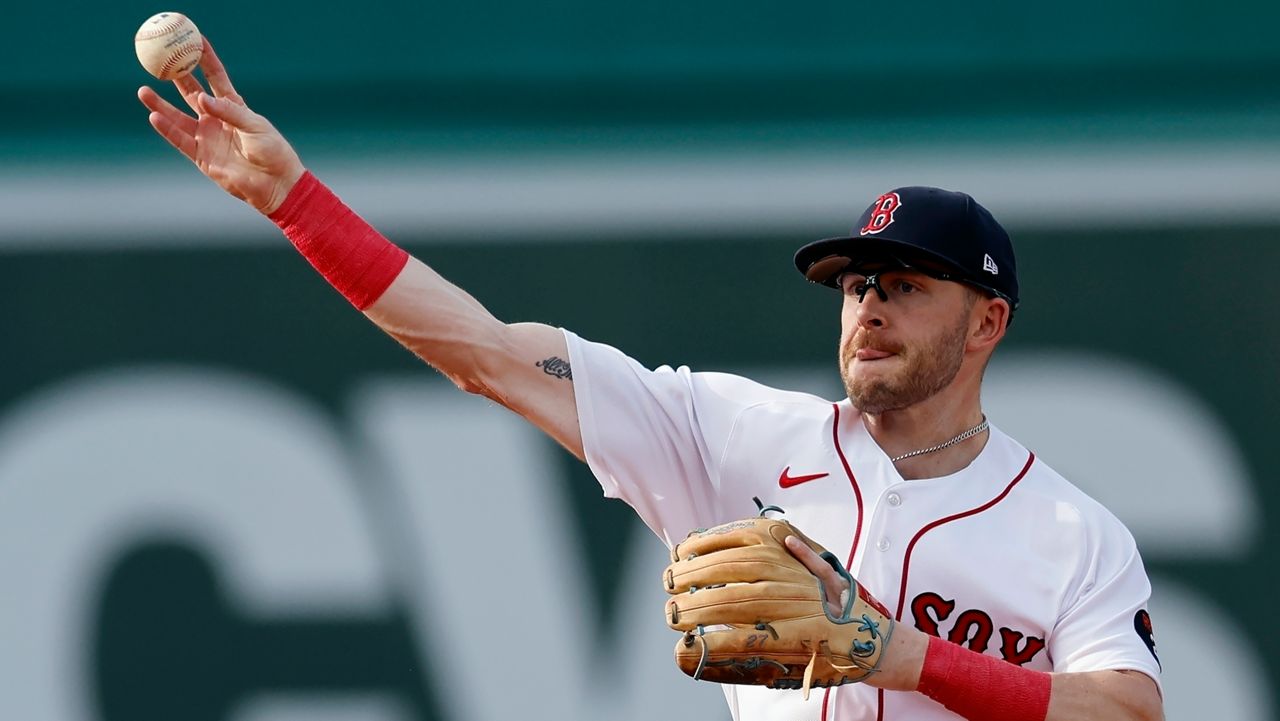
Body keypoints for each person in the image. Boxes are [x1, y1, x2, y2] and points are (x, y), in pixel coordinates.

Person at [138, 39, 1164, 721]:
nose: (867, 307)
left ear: (986, 321)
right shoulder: (728, 433)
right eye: (854, 285)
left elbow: (1126, 708)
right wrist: (295, 202)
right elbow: (483, 351)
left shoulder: (1067, 532)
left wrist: (898, 655)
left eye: (903, 285)